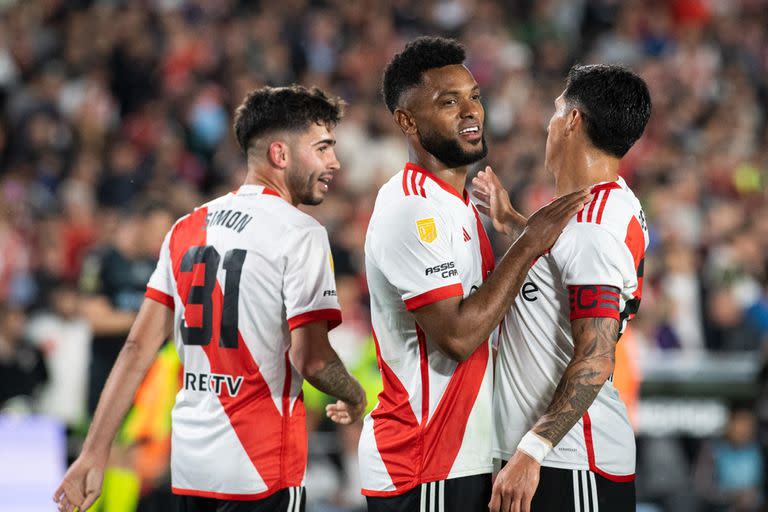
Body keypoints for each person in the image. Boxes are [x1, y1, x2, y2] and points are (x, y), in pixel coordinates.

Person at [54, 85, 367, 512]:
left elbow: (136, 347)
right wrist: (354, 394)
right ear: (280, 154)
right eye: (323, 147)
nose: (334, 162)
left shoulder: (186, 227)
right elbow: (311, 359)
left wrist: (93, 452)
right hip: (261, 471)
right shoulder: (300, 232)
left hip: (191, 468)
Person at [359, 36, 590, 512]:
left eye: (475, 97)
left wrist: (514, 229)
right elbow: (458, 336)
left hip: (462, 455)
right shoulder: (411, 207)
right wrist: (528, 240)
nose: (471, 112)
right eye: (449, 102)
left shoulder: (459, 205)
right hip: (423, 461)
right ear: (407, 121)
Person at [477, 64, 652, 512]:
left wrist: (532, 451)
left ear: (573, 121)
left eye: (556, 110)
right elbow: (561, 272)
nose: (548, 124)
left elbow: (595, 357)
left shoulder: (596, 227)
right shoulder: (598, 205)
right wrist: (515, 225)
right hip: (549, 457)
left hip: (571, 460)